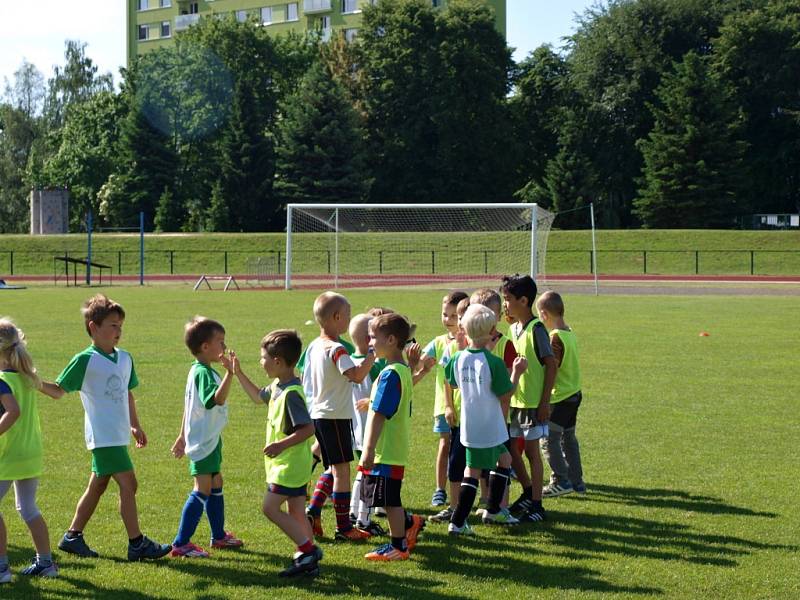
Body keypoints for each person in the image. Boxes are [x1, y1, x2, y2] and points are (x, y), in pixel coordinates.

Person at [44, 294, 171, 561]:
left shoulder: (125, 358)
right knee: (129, 483)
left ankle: (72, 536)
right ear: (93, 327)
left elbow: (127, 394)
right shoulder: (85, 360)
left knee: (98, 485)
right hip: (102, 436)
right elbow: (58, 391)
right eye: (113, 325)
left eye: (120, 326)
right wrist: (32, 380)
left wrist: (135, 425)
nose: (118, 331)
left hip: (118, 434)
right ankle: (137, 543)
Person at [234, 330, 323, 577]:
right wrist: (237, 372)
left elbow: (308, 429)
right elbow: (256, 396)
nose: (261, 362)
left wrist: (280, 445)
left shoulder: (292, 394)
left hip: (289, 465)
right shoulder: (277, 386)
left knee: (269, 508)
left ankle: (308, 551)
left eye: (263, 358)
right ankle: (307, 559)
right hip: (289, 463)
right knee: (296, 511)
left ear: (278, 362)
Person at [444, 305, 526, 535]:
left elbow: (452, 383)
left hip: (471, 423)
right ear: (492, 330)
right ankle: (458, 521)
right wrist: (517, 372)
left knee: (505, 458)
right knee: (472, 470)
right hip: (489, 423)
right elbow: (506, 393)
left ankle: (492, 509)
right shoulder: (494, 362)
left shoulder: (458, 358)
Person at [303, 292, 375, 540]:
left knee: (334, 466)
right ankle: (344, 528)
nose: (349, 319)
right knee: (342, 471)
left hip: (320, 414)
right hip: (335, 415)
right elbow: (355, 375)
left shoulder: (314, 346)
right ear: (336, 317)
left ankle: (312, 511)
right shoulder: (336, 349)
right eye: (348, 315)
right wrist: (371, 357)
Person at [170, 317, 242, 558]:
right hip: (203, 441)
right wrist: (230, 374)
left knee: (216, 482)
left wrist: (181, 436)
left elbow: (190, 406)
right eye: (220, 341)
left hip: (208, 438)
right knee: (202, 488)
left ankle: (218, 536)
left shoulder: (199, 370)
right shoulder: (202, 373)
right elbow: (215, 400)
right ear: (205, 347)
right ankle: (181, 543)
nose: (224, 346)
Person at [360, 313, 425, 560]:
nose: (370, 342)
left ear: (390, 340)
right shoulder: (401, 369)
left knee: (389, 501)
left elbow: (380, 415)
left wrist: (367, 450)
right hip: (393, 449)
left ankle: (398, 546)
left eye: (373, 337)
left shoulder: (390, 374)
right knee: (387, 499)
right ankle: (402, 538)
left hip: (385, 450)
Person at [0, 319, 58, 582]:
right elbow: (56, 393)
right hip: (30, 453)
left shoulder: (2, 381)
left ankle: (2, 569)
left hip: (8, 455)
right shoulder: (27, 378)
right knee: (28, 508)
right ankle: (45, 563)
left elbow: (13, 411)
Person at [501, 275, 557, 523]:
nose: (505, 304)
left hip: (533, 404)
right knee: (513, 450)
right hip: (516, 402)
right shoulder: (513, 328)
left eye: (508, 299)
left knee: (532, 453)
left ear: (523, 301)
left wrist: (545, 402)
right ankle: (526, 491)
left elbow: (551, 365)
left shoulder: (537, 330)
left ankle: (537, 505)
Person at [420, 292, 468, 509]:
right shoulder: (439, 342)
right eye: (444, 315)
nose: (448, 320)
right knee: (444, 443)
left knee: (464, 449)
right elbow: (422, 360)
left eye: (453, 316)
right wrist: (420, 361)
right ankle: (440, 489)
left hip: (467, 406)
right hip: (444, 405)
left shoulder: (470, 341)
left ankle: (466, 489)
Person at [535, 291, 586, 496]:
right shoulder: (569, 332)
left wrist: (543, 396)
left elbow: (552, 368)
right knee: (568, 438)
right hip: (574, 394)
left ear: (545, 314)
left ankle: (560, 480)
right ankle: (577, 481)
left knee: (549, 439)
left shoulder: (554, 338)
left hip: (560, 397)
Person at [348, 314, 386, 536]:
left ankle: (354, 513)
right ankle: (363, 518)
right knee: (369, 474)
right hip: (372, 430)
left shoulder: (348, 362)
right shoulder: (374, 366)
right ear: (367, 339)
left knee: (362, 472)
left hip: (355, 429)